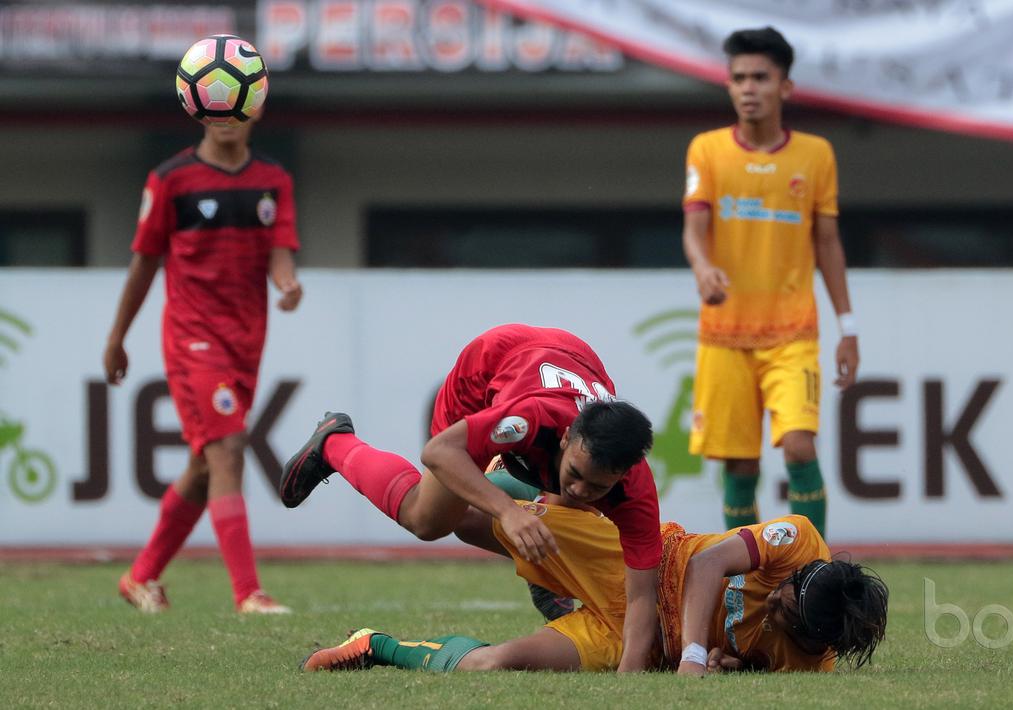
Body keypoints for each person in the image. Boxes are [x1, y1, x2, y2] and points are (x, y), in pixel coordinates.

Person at [279, 323, 662, 671]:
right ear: (565, 438)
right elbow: (439, 453)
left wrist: (629, 678)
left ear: (625, 475)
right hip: (493, 364)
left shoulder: (635, 489)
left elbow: (641, 597)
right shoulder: (531, 420)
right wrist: (509, 513)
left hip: (569, 361)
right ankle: (335, 442)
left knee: (575, 515)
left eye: (599, 487)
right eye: (575, 473)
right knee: (428, 519)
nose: (581, 488)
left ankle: (538, 553)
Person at [299, 505, 888, 675]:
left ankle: (374, 644)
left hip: (635, 641)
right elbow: (709, 566)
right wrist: (692, 659)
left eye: (787, 610)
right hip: (642, 566)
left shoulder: (808, 669)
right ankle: (350, 452)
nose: (777, 596)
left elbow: (743, 661)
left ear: (817, 638)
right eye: (788, 588)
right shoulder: (802, 544)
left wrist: (723, 664)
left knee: (491, 667)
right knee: (468, 515)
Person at [104, 118, 302, 614]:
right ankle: (248, 594)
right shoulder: (171, 180)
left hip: (246, 341)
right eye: (217, 104)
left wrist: (287, 284)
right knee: (229, 447)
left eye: (238, 104)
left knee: (203, 465)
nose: (227, 115)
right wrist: (117, 337)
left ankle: (140, 576)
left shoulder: (274, 179)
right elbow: (144, 263)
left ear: (255, 107)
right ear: (197, 105)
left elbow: (280, 252)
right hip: (192, 338)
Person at [681, 27, 860, 535]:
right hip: (724, 337)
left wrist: (848, 326)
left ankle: (813, 573)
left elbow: (827, 243)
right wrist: (702, 268)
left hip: (792, 335)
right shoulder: (707, 150)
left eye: (760, 77)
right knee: (740, 466)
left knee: (800, 446)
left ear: (785, 86)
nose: (748, 88)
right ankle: (745, 581)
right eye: (739, 78)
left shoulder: (815, 155)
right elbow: (694, 229)